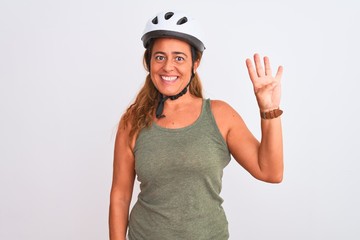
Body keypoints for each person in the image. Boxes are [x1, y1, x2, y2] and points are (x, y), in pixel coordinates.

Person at [109, 10, 284, 240]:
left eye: (179, 57)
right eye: (159, 57)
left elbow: (270, 171)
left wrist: (268, 110)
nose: (168, 66)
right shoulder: (133, 121)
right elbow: (120, 196)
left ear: (195, 63)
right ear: (149, 61)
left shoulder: (220, 116)